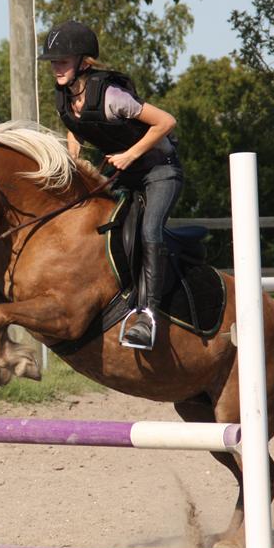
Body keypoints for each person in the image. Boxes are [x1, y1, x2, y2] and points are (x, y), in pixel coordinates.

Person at [39, 20, 184, 351]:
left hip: (160, 172)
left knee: (148, 232)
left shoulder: (112, 96)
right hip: (127, 178)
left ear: (83, 63)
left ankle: (148, 316)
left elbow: (166, 121)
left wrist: (130, 154)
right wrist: (71, 164)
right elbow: (75, 129)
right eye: (53, 61)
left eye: (62, 60)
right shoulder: (63, 98)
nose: (55, 67)